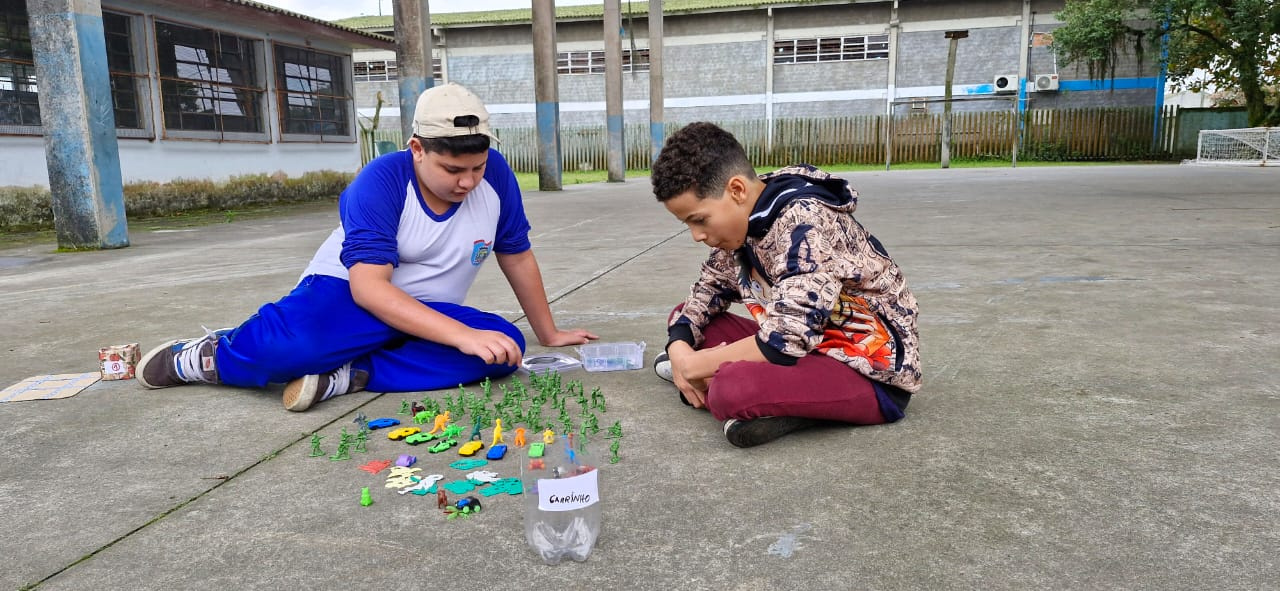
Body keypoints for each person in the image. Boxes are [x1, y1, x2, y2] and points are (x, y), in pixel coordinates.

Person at [137, 83, 597, 411]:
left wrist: (549, 333)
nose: (468, 181)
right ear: (416, 148)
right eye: (453, 168)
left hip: (427, 308)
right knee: (298, 345)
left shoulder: (495, 176)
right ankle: (209, 357)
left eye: (477, 167)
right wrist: (460, 334)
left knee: (504, 349)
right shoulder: (382, 180)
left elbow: (515, 252)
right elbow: (371, 291)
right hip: (347, 295)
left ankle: (348, 375)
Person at [650, 122, 921, 448]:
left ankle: (770, 401)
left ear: (737, 191)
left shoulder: (804, 221)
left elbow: (785, 339)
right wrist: (678, 352)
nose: (697, 235)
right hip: (804, 349)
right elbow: (707, 290)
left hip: (867, 372)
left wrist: (695, 365)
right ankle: (767, 396)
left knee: (730, 389)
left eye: (699, 219)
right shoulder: (746, 222)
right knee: (684, 320)